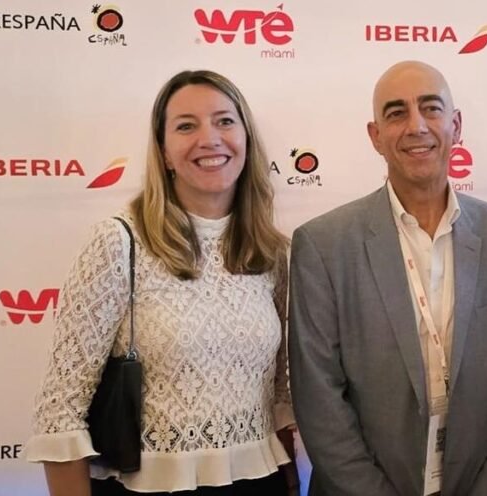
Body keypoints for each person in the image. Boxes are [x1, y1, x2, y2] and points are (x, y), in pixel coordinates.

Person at [24, 70, 299, 496]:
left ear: (246, 139)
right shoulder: (118, 242)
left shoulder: (269, 253)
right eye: (186, 126)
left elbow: (278, 394)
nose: (209, 139)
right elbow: (59, 411)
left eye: (225, 121)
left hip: (260, 483)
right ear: (165, 152)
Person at [288, 60, 487, 496]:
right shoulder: (323, 245)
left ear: (455, 126)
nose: (416, 126)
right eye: (396, 112)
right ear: (375, 136)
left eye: (431, 108)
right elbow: (319, 399)